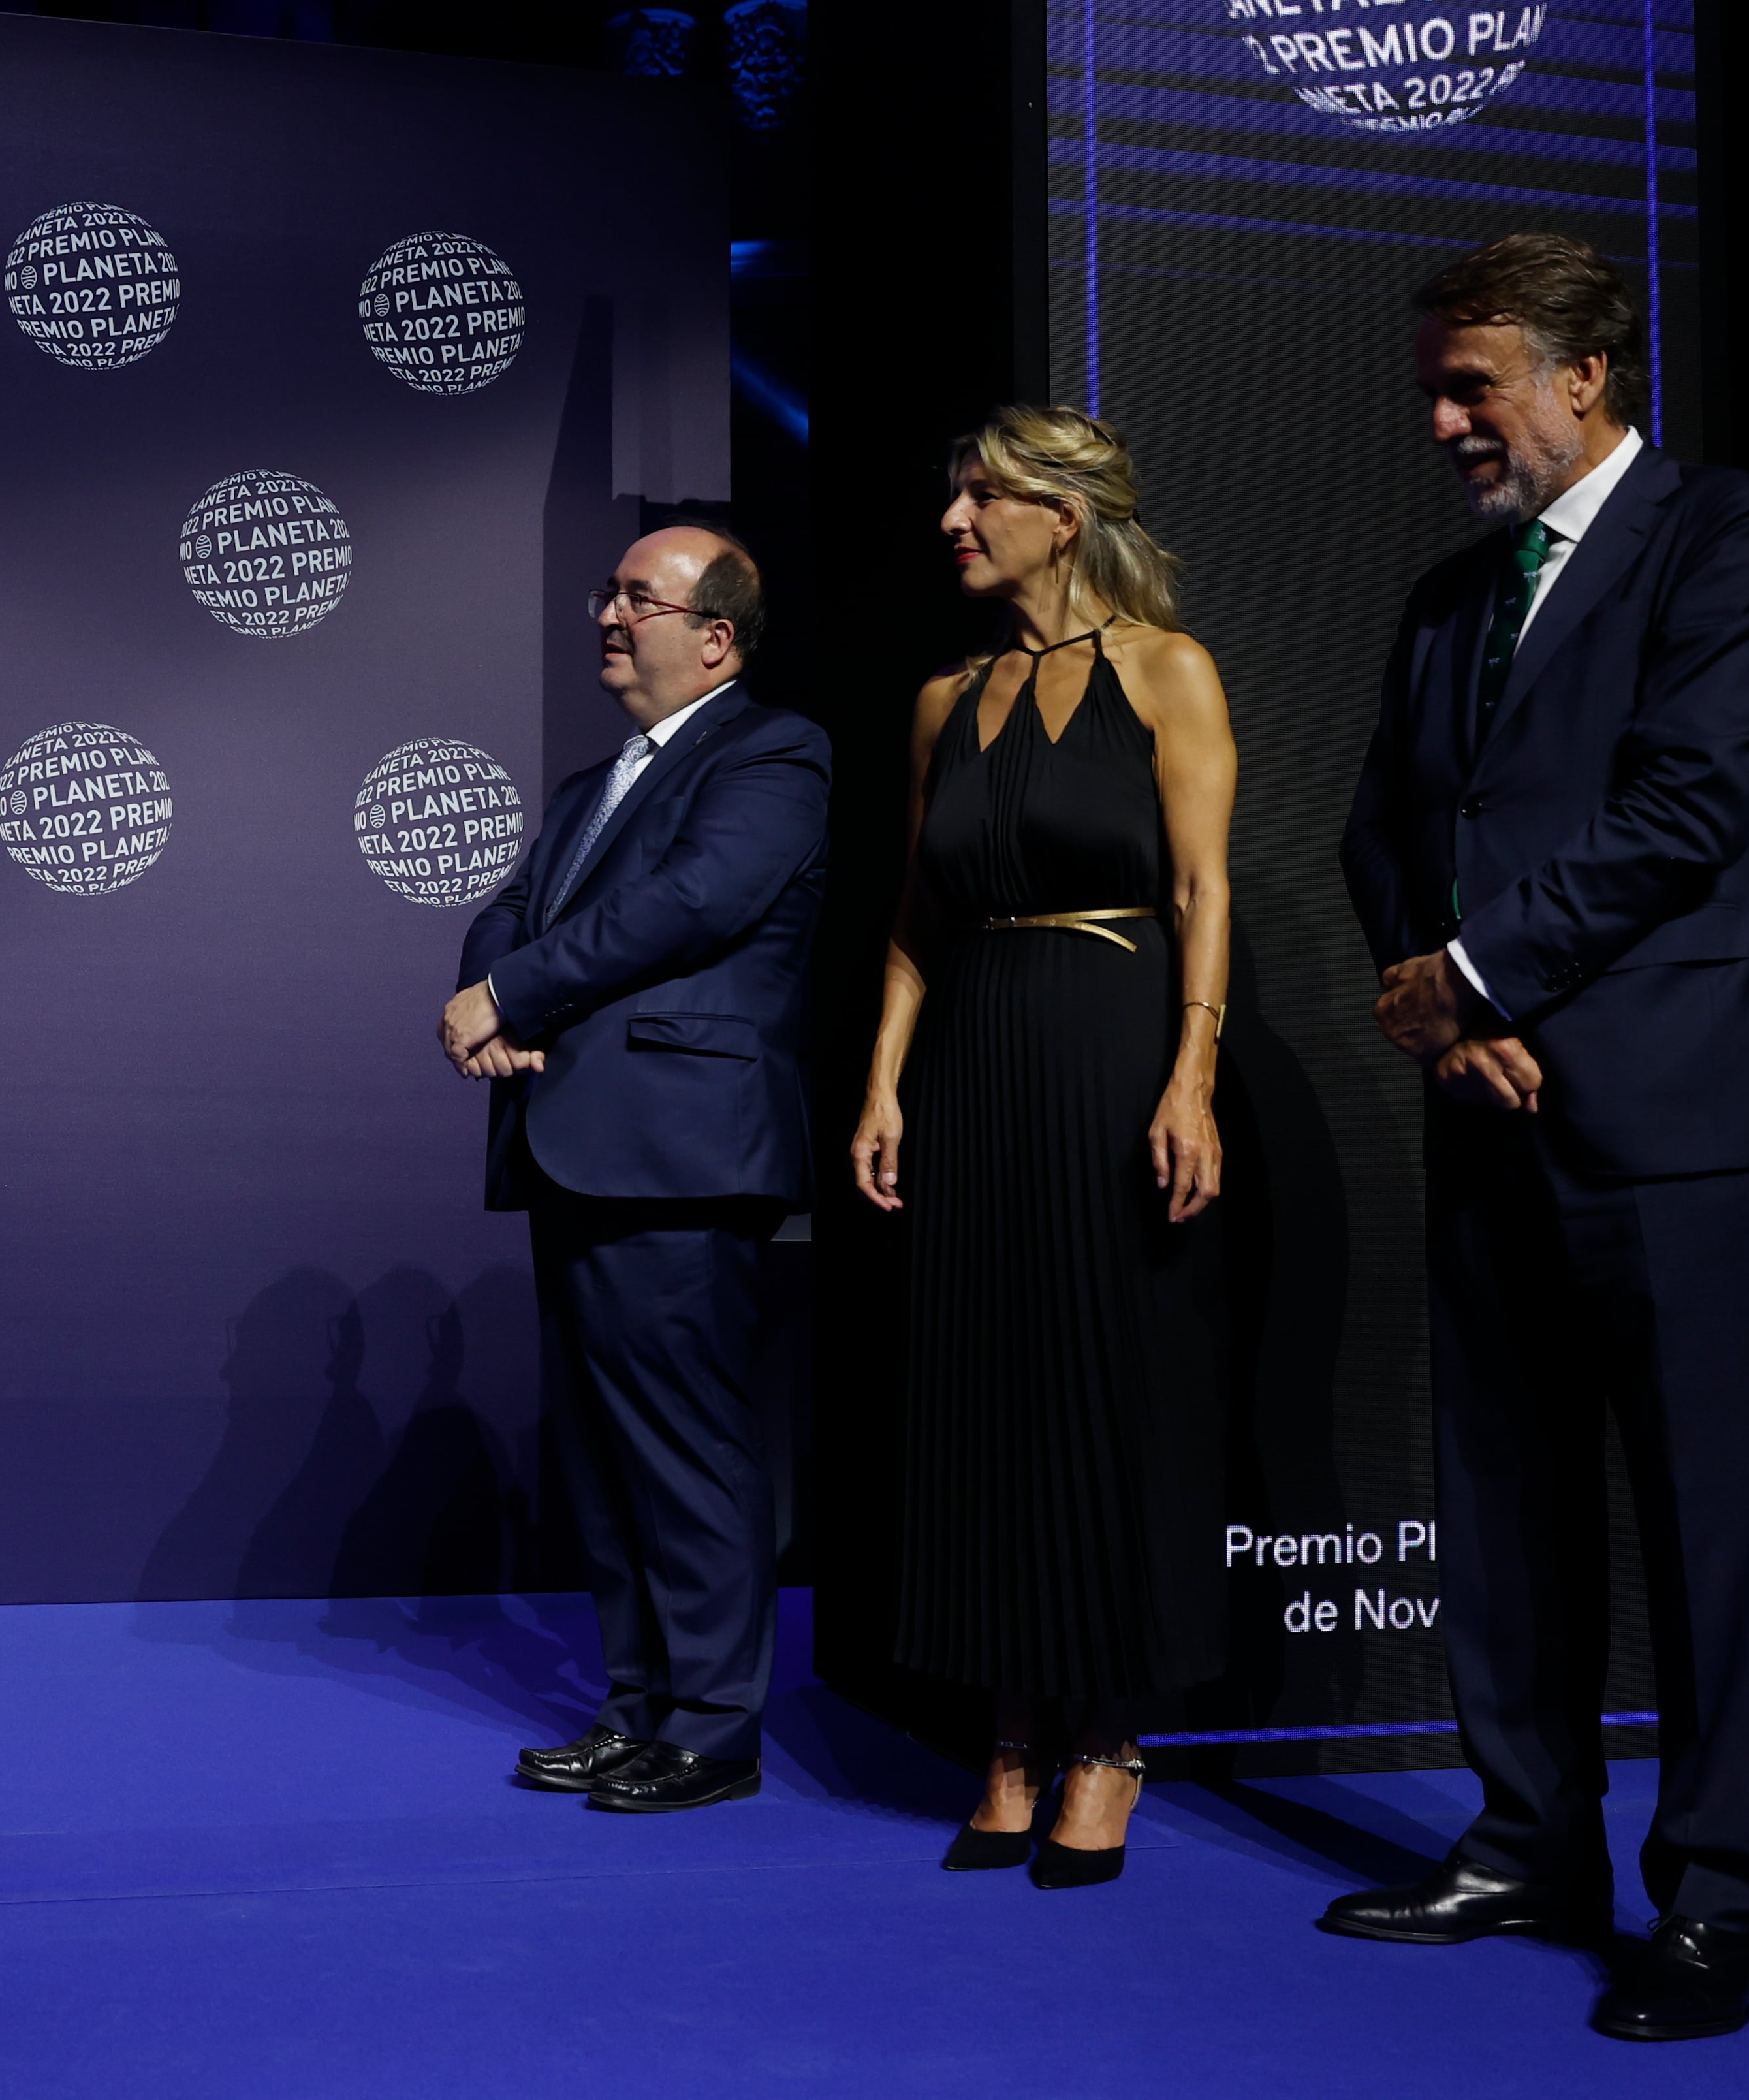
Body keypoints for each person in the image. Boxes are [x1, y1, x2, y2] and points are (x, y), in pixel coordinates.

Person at [1328, 233, 1749, 2043]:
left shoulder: (1728, 537)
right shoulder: (1452, 598)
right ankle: (1530, 1840)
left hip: (1678, 1120)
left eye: (1478, 386)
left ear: (1587, 378)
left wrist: (1476, 976)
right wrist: (1441, 997)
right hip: (1486, 1105)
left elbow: (1691, 807)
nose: (1448, 420)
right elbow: (1383, 823)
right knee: (1508, 1513)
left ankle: (1714, 1907)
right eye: (1440, 389)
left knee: (1710, 1532)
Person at [845, 407, 1236, 1888]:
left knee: (1105, 1384)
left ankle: (1106, 1741)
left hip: (1111, 1042)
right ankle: (1008, 1733)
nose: (953, 520)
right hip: (972, 1065)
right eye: (954, 495)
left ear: (1061, 518)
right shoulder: (946, 696)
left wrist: (1190, 1074)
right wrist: (883, 1088)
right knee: (987, 1391)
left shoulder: (1165, 672)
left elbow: (1203, 891)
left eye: (981, 496)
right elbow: (911, 921)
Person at [440, 525, 827, 1811]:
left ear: (714, 636)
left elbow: (697, 902)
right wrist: (492, 990)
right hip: (577, 1148)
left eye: (638, 597)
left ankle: (712, 1730)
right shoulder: (586, 786)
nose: (608, 613)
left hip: (677, 1151)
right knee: (606, 1452)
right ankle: (636, 1709)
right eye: (607, 592)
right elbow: (508, 906)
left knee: (685, 1444)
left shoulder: (771, 751)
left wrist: (510, 992)